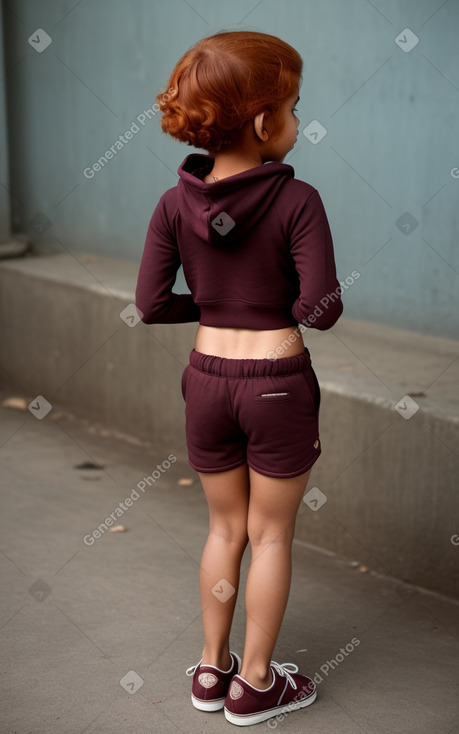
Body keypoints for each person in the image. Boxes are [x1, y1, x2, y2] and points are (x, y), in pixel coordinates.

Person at [135, 30, 343, 727]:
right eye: (292, 107)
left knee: (224, 529)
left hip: (205, 378)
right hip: (276, 382)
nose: (295, 121)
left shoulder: (172, 204)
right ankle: (255, 685)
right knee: (273, 535)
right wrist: (272, 302)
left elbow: (151, 304)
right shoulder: (298, 200)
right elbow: (320, 310)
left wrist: (217, 304)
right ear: (261, 123)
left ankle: (209, 667)